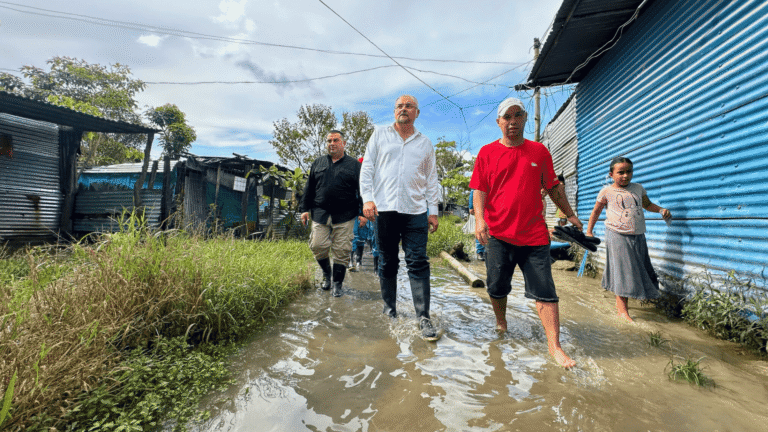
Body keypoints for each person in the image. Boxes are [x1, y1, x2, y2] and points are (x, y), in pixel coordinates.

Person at [470, 97, 582, 368]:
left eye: (517, 115)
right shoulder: (486, 153)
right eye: (507, 117)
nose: (512, 121)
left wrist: (570, 214)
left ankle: (554, 346)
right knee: (496, 287)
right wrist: (480, 220)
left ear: (523, 118)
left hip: (533, 236)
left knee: (545, 291)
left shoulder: (539, 152)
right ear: (499, 122)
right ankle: (501, 321)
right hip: (497, 234)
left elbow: (553, 186)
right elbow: (479, 189)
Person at [360, 95, 441, 341]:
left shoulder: (425, 143)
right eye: (399, 106)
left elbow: (431, 180)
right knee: (387, 261)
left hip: (415, 211)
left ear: (417, 112)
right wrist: (367, 199)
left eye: (408, 106)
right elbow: (368, 169)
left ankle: (423, 317)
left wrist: (433, 211)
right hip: (384, 209)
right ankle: (389, 310)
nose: (403, 109)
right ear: (394, 111)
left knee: (418, 261)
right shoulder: (379, 135)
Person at [586, 156, 672, 322]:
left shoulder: (638, 188)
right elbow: (596, 211)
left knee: (641, 267)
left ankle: (641, 298)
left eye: (629, 171)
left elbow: (647, 205)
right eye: (621, 172)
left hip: (638, 234)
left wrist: (661, 209)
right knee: (623, 271)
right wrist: (589, 231)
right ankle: (622, 311)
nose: (625, 175)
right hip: (616, 234)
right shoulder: (607, 192)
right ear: (611, 174)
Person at [300, 130, 364, 297]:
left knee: (342, 250)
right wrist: (304, 209)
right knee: (317, 245)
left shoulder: (354, 165)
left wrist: (362, 212)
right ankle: (327, 274)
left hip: (345, 214)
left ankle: (337, 283)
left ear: (343, 143)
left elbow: (363, 190)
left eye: (336, 140)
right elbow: (309, 187)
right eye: (329, 140)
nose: (332, 143)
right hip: (320, 212)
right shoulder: (318, 163)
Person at [468, 189, 485, 261]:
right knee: (480, 229)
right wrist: (471, 206)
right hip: (480, 208)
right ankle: (480, 251)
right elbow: (474, 191)